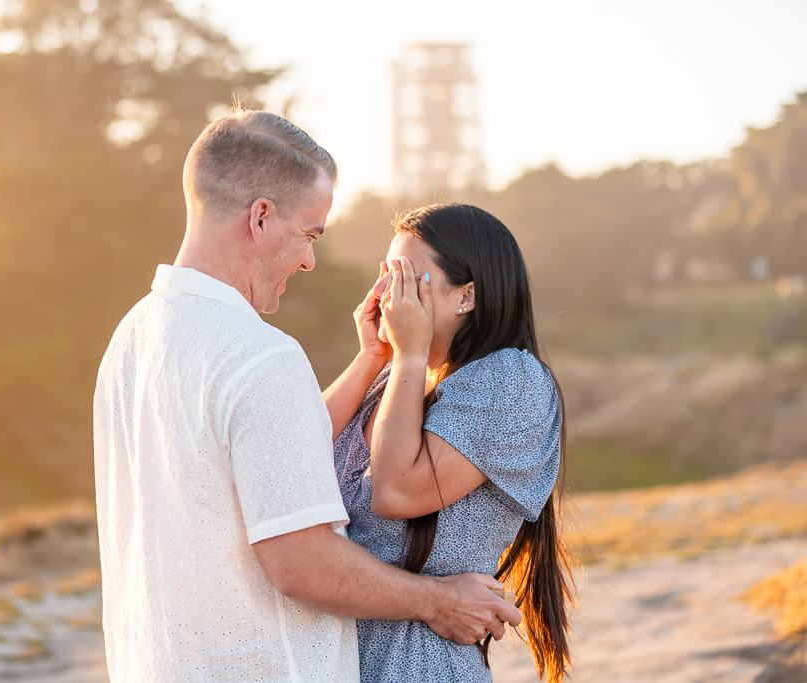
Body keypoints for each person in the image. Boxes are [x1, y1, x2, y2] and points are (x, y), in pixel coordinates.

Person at [92, 111, 522, 682]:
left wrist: (374, 357)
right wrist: (437, 601)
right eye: (310, 234)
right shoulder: (260, 356)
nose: (309, 260)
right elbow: (301, 565)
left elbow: (279, 460)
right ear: (262, 218)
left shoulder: (132, 339)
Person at [324, 203, 574, 682]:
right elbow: (287, 453)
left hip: (413, 665)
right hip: (338, 658)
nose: (391, 296)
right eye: (388, 276)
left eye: (409, 279)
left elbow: (397, 492)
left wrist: (411, 353)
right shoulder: (394, 381)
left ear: (467, 296)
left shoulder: (511, 380)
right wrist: (372, 357)